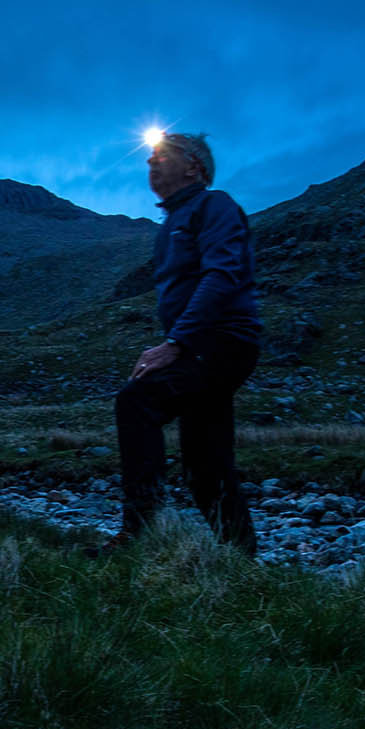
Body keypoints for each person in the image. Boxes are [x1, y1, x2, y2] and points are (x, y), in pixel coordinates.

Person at [98, 130, 262, 555]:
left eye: (160, 155)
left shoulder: (214, 205)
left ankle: (139, 533)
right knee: (205, 463)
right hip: (203, 345)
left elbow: (221, 275)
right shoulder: (171, 222)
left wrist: (176, 343)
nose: (150, 162)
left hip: (221, 342)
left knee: (137, 401)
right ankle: (242, 560)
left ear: (193, 166)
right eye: (148, 157)